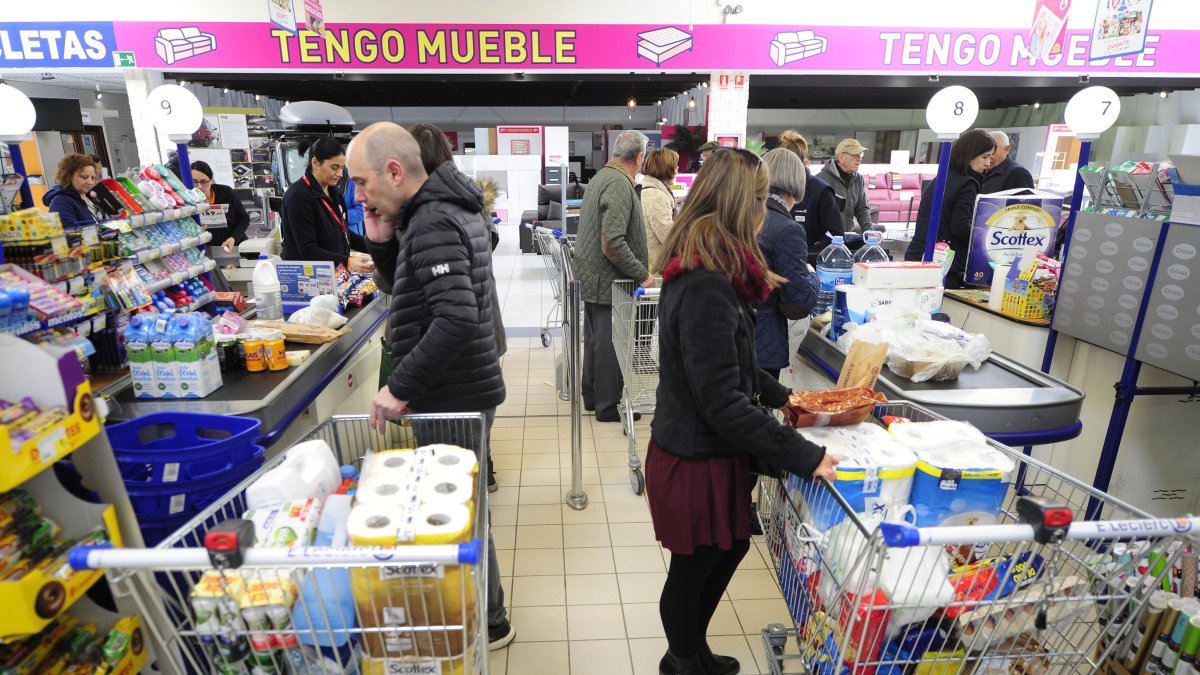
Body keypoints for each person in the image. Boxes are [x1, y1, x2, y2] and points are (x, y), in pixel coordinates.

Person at [648, 147, 837, 675]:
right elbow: (722, 401)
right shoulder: (707, 281)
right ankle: (681, 661)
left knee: (728, 549)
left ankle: (694, 650)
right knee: (695, 567)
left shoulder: (709, 267)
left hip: (703, 449)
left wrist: (785, 398)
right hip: (694, 457)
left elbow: (730, 363)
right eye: (764, 201)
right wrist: (805, 455)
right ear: (745, 207)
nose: (770, 211)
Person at [346, 121, 514, 650]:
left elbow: (456, 318)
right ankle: (484, 614)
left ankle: (489, 621)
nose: (357, 194)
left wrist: (399, 385)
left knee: (460, 516)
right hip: (463, 384)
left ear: (394, 172)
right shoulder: (435, 211)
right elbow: (413, 288)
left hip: (453, 391)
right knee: (464, 509)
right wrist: (380, 242)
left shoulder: (434, 220)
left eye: (361, 182)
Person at [408, 121, 505, 492]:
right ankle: (484, 469)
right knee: (476, 424)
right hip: (485, 330)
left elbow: (443, 303)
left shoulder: (429, 217)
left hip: (452, 350)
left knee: (451, 461)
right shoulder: (471, 202)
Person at [576, 129, 653, 423]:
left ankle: (593, 398)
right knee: (611, 344)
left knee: (597, 340)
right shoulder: (620, 184)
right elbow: (612, 242)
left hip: (594, 275)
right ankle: (608, 407)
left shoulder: (601, 177)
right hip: (608, 279)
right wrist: (642, 274)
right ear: (639, 157)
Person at [904, 128, 996, 289]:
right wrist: (986, 240)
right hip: (945, 265)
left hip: (919, 254)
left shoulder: (943, 176)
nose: (988, 164)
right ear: (970, 154)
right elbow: (960, 226)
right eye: (985, 157)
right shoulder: (967, 183)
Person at [756, 149, 818, 380]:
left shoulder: (740, 214)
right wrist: (812, 275)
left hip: (727, 335)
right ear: (795, 185)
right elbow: (799, 300)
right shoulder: (787, 229)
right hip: (762, 340)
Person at [281, 136, 374, 272]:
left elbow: (343, 232)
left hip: (334, 273)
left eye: (342, 168)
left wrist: (375, 249)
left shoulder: (334, 193)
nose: (340, 174)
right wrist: (347, 262)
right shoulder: (298, 197)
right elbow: (308, 250)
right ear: (315, 163)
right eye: (334, 167)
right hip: (305, 278)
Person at [777, 130, 843, 257]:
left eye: (794, 166)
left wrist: (806, 254)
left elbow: (836, 236)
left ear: (805, 164)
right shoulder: (774, 188)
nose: (788, 172)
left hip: (811, 260)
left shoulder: (821, 192)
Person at [191, 160, 250, 254]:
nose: (199, 186)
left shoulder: (226, 192)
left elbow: (244, 218)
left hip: (235, 245)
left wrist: (234, 238)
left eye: (203, 182)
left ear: (211, 180)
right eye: (194, 182)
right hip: (207, 251)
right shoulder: (188, 200)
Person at [817, 138, 874, 234]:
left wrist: (869, 230)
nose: (859, 158)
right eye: (855, 155)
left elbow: (862, 208)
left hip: (847, 236)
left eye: (860, 155)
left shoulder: (859, 179)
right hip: (827, 239)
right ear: (841, 158)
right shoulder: (821, 180)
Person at [640, 148, 679, 274]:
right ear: (665, 168)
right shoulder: (656, 195)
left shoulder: (650, 190)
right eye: (675, 166)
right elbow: (667, 235)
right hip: (657, 269)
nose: (677, 170)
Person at [43, 153, 103, 227]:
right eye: (84, 177)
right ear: (69, 176)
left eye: (93, 178)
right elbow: (71, 234)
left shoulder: (90, 195)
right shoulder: (61, 201)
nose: (90, 182)